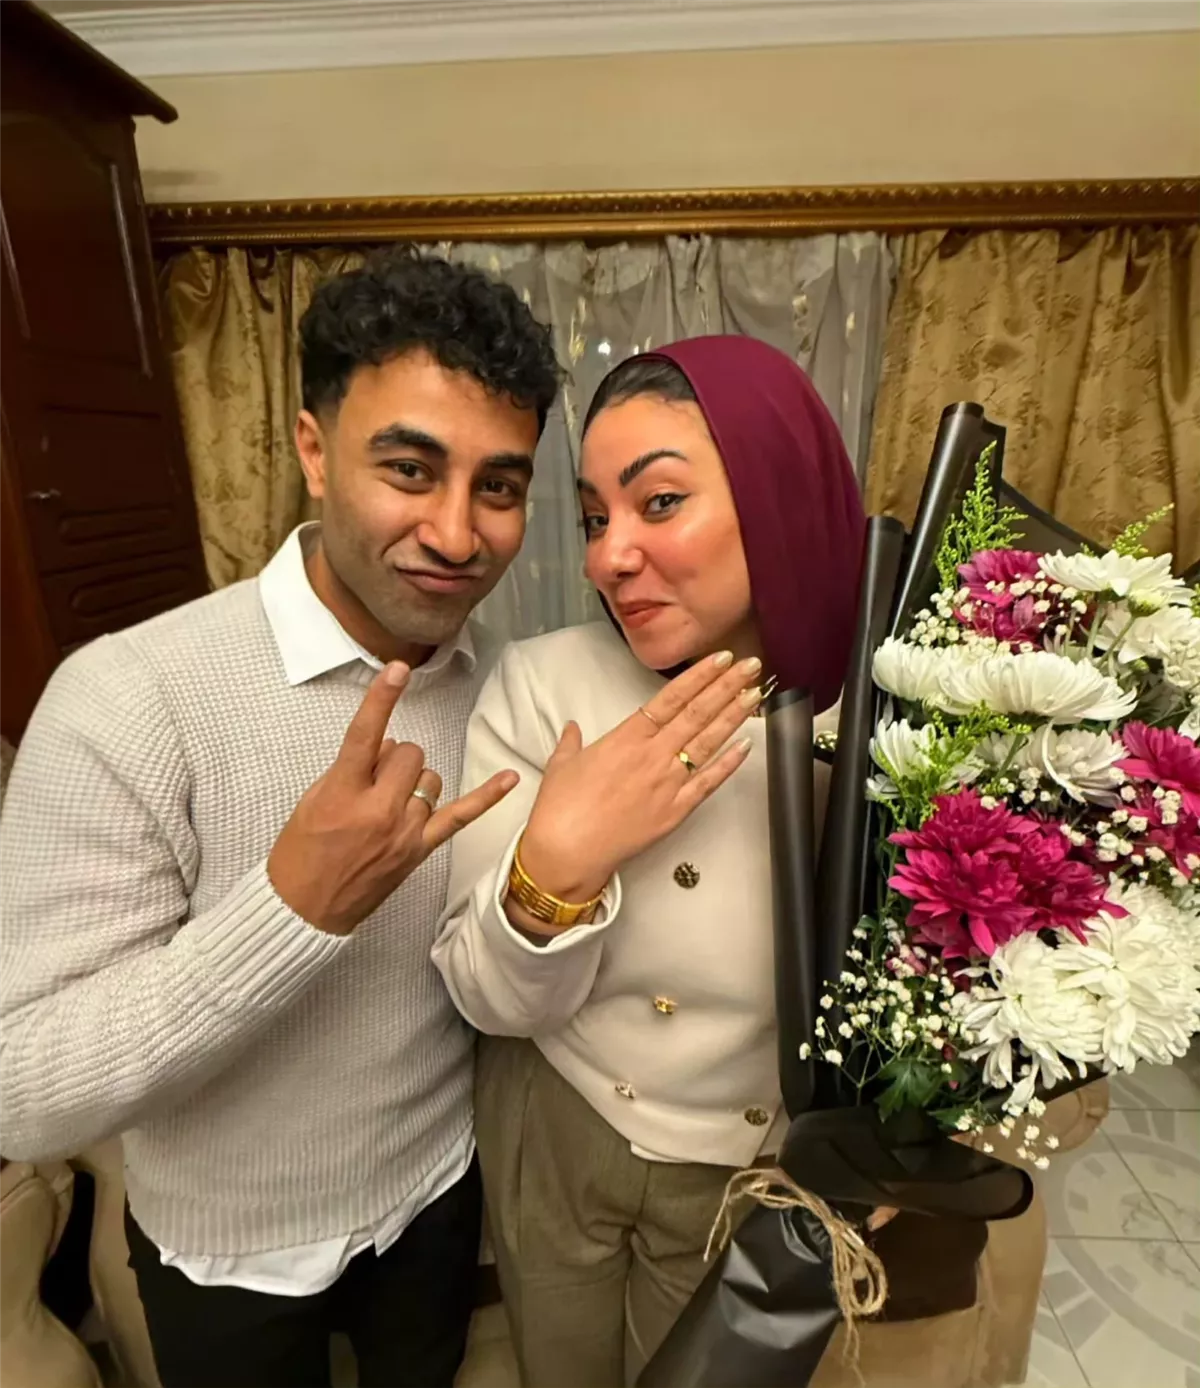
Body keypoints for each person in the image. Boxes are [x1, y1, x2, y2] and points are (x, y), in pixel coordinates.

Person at [0, 249, 561, 1388]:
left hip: (435, 1198)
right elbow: (24, 1086)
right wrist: (292, 910)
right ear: (312, 450)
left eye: (498, 488)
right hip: (222, 1249)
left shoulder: (505, 692)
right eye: (410, 469)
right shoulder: (131, 693)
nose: (457, 534)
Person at [432, 335, 868, 1387]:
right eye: (593, 518)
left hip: (757, 1161)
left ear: (781, 496)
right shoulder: (545, 685)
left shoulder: (896, 711)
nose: (606, 558)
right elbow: (486, 998)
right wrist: (555, 870)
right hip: (560, 1119)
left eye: (658, 502)